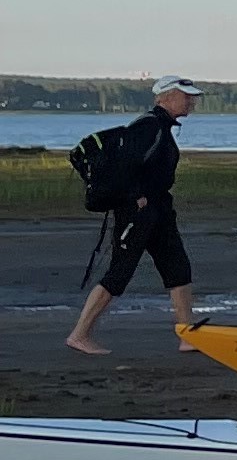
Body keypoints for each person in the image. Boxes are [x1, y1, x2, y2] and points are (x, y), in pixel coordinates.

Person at [69, 77, 203, 356]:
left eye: (192, 96)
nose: (191, 101)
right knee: (119, 273)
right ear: (165, 98)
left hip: (159, 211)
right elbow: (124, 166)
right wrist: (135, 196)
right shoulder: (148, 127)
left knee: (178, 268)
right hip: (138, 213)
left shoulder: (161, 127)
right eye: (186, 96)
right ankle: (79, 335)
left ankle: (188, 336)